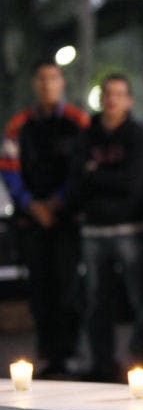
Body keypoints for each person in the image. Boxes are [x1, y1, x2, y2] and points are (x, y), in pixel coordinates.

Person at [0, 59, 89, 377]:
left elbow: (83, 166)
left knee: (68, 286)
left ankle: (70, 351)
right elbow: (9, 167)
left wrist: (58, 202)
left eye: (53, 78)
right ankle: (47, 352)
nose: (47, 84)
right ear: (34, 84)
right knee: (40, 289)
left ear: (62, 82)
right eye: (41, 78)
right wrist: (30, 204)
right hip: (31, 221)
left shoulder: (77, 120)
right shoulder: (19, 123)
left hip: (67, 219)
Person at [70, 74, 143, 382]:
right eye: (107, 93)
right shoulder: (85, 136)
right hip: (94, 231)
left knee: (141, 301)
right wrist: (105, 178)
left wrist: (96, 174)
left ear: (129, 100)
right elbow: (76, 182)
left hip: (130, 228)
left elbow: (133, 183)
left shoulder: (138, 134)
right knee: (95, 301)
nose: (112, 99)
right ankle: (102, 363)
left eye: (119, 94)